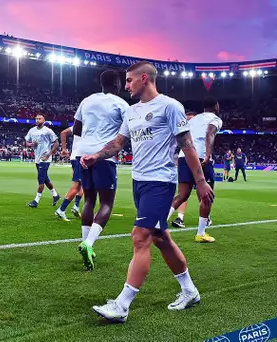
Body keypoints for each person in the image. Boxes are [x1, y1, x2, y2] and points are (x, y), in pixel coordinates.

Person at [84, 61, 214, 322]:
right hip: (139, 181)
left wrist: (200, 181)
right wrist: (97, 155)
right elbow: (119, 142)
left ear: (144, 78)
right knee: (160, 238)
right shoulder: (131, 112)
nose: (127, 85)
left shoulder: (170, 106)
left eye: (130, 80)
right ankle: (190, 291)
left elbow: (187, 145)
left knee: (140, 237)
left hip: (160, 181)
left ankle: (122, 305)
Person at [73, 69, 129, 271]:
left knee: (88, 199)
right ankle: (88, 244)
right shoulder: (121, 104)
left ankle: (84, 243)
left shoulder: (86, 100)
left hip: (83, 153)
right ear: (118, 85)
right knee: (106, 203)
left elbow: (76, 128)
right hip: (104, 155)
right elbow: (127, 130)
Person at [167, 97, 222, 242]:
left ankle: (159, 223)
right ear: (216, 106)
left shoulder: (193, 119)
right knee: (207, 195)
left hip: (184, 155)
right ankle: (201, 233)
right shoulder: (215, 119)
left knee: (183, 194)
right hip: (201, 157)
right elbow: (210, 133)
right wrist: (208, 154)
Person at [26, 114, 61, 208]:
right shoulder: (32, 130)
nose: (37, 120)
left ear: (44, 120)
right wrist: (31, 144)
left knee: (40, 179)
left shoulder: (48, 131)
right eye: (36, 119)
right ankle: (55, 195)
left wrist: (48, 155)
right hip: (37, 158)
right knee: (45, 178)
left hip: (45, 158)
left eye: (39, 118)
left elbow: (56, 143)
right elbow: (26, 142)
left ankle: (36, 201)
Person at [55, 126, 83, 221]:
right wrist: (63, 149)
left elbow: (63, 133)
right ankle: (61, 209)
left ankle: (76, 206)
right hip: (79, 158)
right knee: (77, 185)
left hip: (79, 157)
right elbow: (63, 133)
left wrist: (64, 149)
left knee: (84, 184)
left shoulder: (83, 123)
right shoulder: (83, 124)